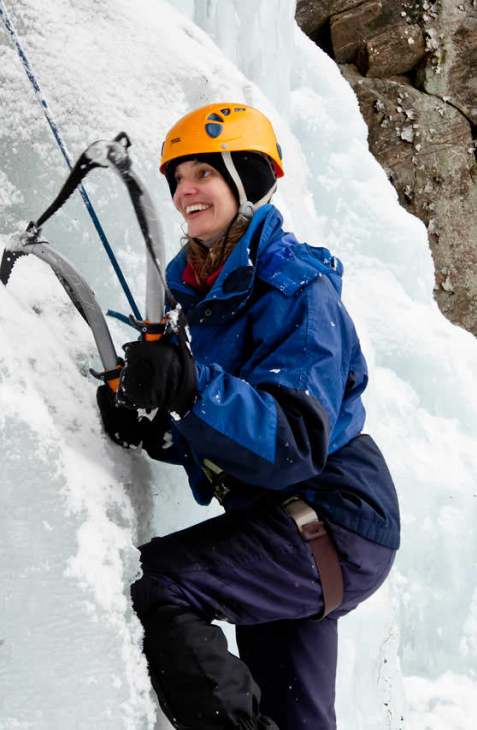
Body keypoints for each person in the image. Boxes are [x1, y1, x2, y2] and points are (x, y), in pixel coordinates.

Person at [96, 102, 399, 730]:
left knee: (161, 582)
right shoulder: (205, 298)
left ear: (247, 181)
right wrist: (158, 429)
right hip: (293, 523)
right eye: (178, 180)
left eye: (204, 173)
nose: (184, 192)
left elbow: (291, 441)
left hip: (333, 516)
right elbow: (226, 428)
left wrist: (189, 388)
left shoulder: (295, 287)